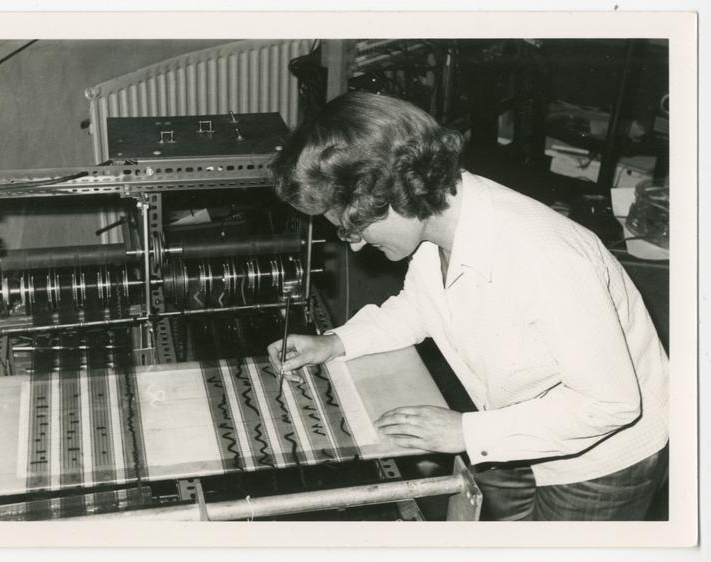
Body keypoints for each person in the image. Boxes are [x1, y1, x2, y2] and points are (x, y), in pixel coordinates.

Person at [266, 91, 669, 521]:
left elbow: (612, 404)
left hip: (600, 459)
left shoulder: (546, 258)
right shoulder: (436, 226)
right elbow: (421, 307)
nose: (358, 243)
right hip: (511, 422)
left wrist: (465, 430)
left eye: (355, 226)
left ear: (397, 192)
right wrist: (335, 343)